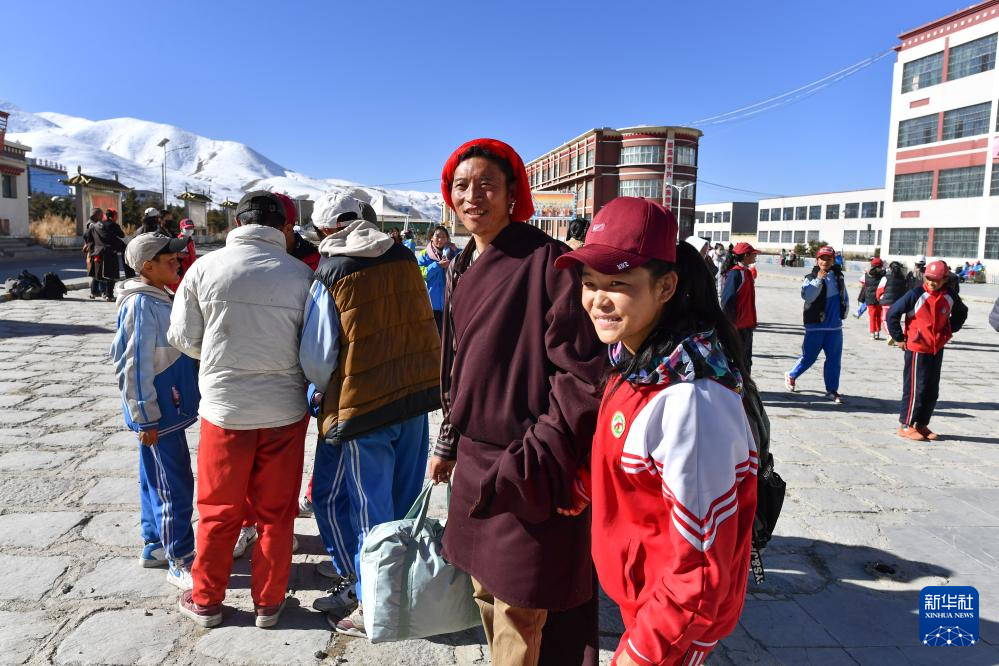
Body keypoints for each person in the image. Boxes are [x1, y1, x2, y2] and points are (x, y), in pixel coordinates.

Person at [554, 197, 757, 666]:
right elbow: (622, 451)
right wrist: (585, 488)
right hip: (644, 595)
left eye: (618, 284)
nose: (598, 300)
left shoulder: (690, 401)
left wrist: (643, 651)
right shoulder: (637, 360)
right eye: (589, 283)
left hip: (673, 625)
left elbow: (700, 574)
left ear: (665, 286)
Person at [428, 138, 605, 666]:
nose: (473, 196)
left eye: (487, 184)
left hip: (528, 462)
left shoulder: (547, 261)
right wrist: (448, 441)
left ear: (513, 194)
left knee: (520, 604)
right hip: (475, 460)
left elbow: (582, 372)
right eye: (462, 186)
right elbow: (459, 366)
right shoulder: (461, 264)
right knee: (487, 591)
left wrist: (543, 452)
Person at [168, 191, 313, 629]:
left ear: (237, 223)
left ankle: (207, 599)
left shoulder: (204, 268)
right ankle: (269, 602)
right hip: (284, 411)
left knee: (218, 509)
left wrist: (220, 357)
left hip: (225, 409)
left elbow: (184, 338)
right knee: (276, 512)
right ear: (284, 227)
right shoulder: (302, 276)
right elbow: (314, 346)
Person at [300, 192, 441, 638]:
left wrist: (317, 391)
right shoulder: (404, 256)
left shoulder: (332, 271)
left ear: (327, 230)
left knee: (368, 511)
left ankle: (372, 603)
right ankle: (401, 589)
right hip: (414, 398)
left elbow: (318, 354)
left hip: (364, 405)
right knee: (402, 504)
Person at [110, 232, 198, 589]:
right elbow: (133, 364)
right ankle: (181, 557)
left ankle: (155, 545)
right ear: (147, 266)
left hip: (166, 410)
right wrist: (145, 416)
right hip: (159, 413)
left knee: (154, 478)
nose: (178, 262)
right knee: (173, 485)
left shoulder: (158, 296)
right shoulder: (140, 305)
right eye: (169, 259)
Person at [886, 260, 967, 441]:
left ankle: (921, 424)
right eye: (929, 278)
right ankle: (905, 425)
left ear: (945, 279)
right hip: (917, 348)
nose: (932, 282)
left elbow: (962, 312)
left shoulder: (949, 295)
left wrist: (949, 331)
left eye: (936, 279)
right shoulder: (916, 294)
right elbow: (892, 313)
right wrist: (899, 338)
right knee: (916, 388)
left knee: (931, 389)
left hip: (936, 348)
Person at [784, 245, 849, 404]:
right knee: (809, 357)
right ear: (817, 260)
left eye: (828, 259)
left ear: (833, 260)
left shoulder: (838, 277)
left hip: (834, 327)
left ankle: (832, 390)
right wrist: (819, 280)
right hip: (816, 326)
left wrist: (844, 311)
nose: (825, 262)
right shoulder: (810, 277)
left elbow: (844, 296)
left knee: (834, 360)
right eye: (822, 258)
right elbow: (808, 296)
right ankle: (792, 374)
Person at [721, 241, 758, 371]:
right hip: (738, 327)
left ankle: (745, 383)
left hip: (747, 325)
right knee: (738, 362)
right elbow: (726, 301)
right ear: (746, 255)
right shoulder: (735, 274)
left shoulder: (746, 272)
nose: (755, 256)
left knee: (746, 361)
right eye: (753, 253)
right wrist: (729, 325)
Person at [417, 225, 458, 332]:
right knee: (434, 334)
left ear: (447, 239)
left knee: (450, 335)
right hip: (431, 304)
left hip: (451, 304)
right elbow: (421, 274)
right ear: (431, 237)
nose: (440, 239)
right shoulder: (424, 255)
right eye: (437, 236)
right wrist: (438, 265)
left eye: (444, 236)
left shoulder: (455, 253)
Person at [83, 207, 126, 301]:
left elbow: (86, 235)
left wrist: (91, 246)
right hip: (110, 253)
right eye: (116, 216)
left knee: (97, 274)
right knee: (111, 276)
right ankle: (109, 295)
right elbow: (122, 235)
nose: (117, 217)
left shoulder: (95, 225)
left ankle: (94, 292)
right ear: (113, 216)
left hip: (97, 253)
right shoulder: (113, 225)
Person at [878, 261, 909, 346]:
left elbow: (879, 290)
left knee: (885, 319)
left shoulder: (885, 278)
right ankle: (896, 336)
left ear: (890, 269)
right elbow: (905, 291)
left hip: (886, 303)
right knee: (896, 321)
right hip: (898, 304)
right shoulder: (903, 279)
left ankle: (890, 334)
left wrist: (879, 299)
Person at [167, 219, 198, 292]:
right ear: (181, 229)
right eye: (187, 228)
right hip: (181, 272)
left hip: (189, 270)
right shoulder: (180, 240)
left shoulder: (189, 239)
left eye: (191, 228)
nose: (189, 230)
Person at [861, 257, 886, 339]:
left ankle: (872, 333)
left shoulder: (867, 274)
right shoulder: (884, 274)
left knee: (872, 315)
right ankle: (877, 332)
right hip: (880, 297)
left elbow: (861, 281)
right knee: (878, 315)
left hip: (869, 298)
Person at [83, 209, 104, 299]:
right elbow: (88, 237)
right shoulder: (91, 224)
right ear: (96, 215)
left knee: (97, 272)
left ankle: (95, 291)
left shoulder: (93, 223)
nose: (102, 217)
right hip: (94, 251)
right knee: (97, 272)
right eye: (101, 215)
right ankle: (98, 291)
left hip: (94, 250)